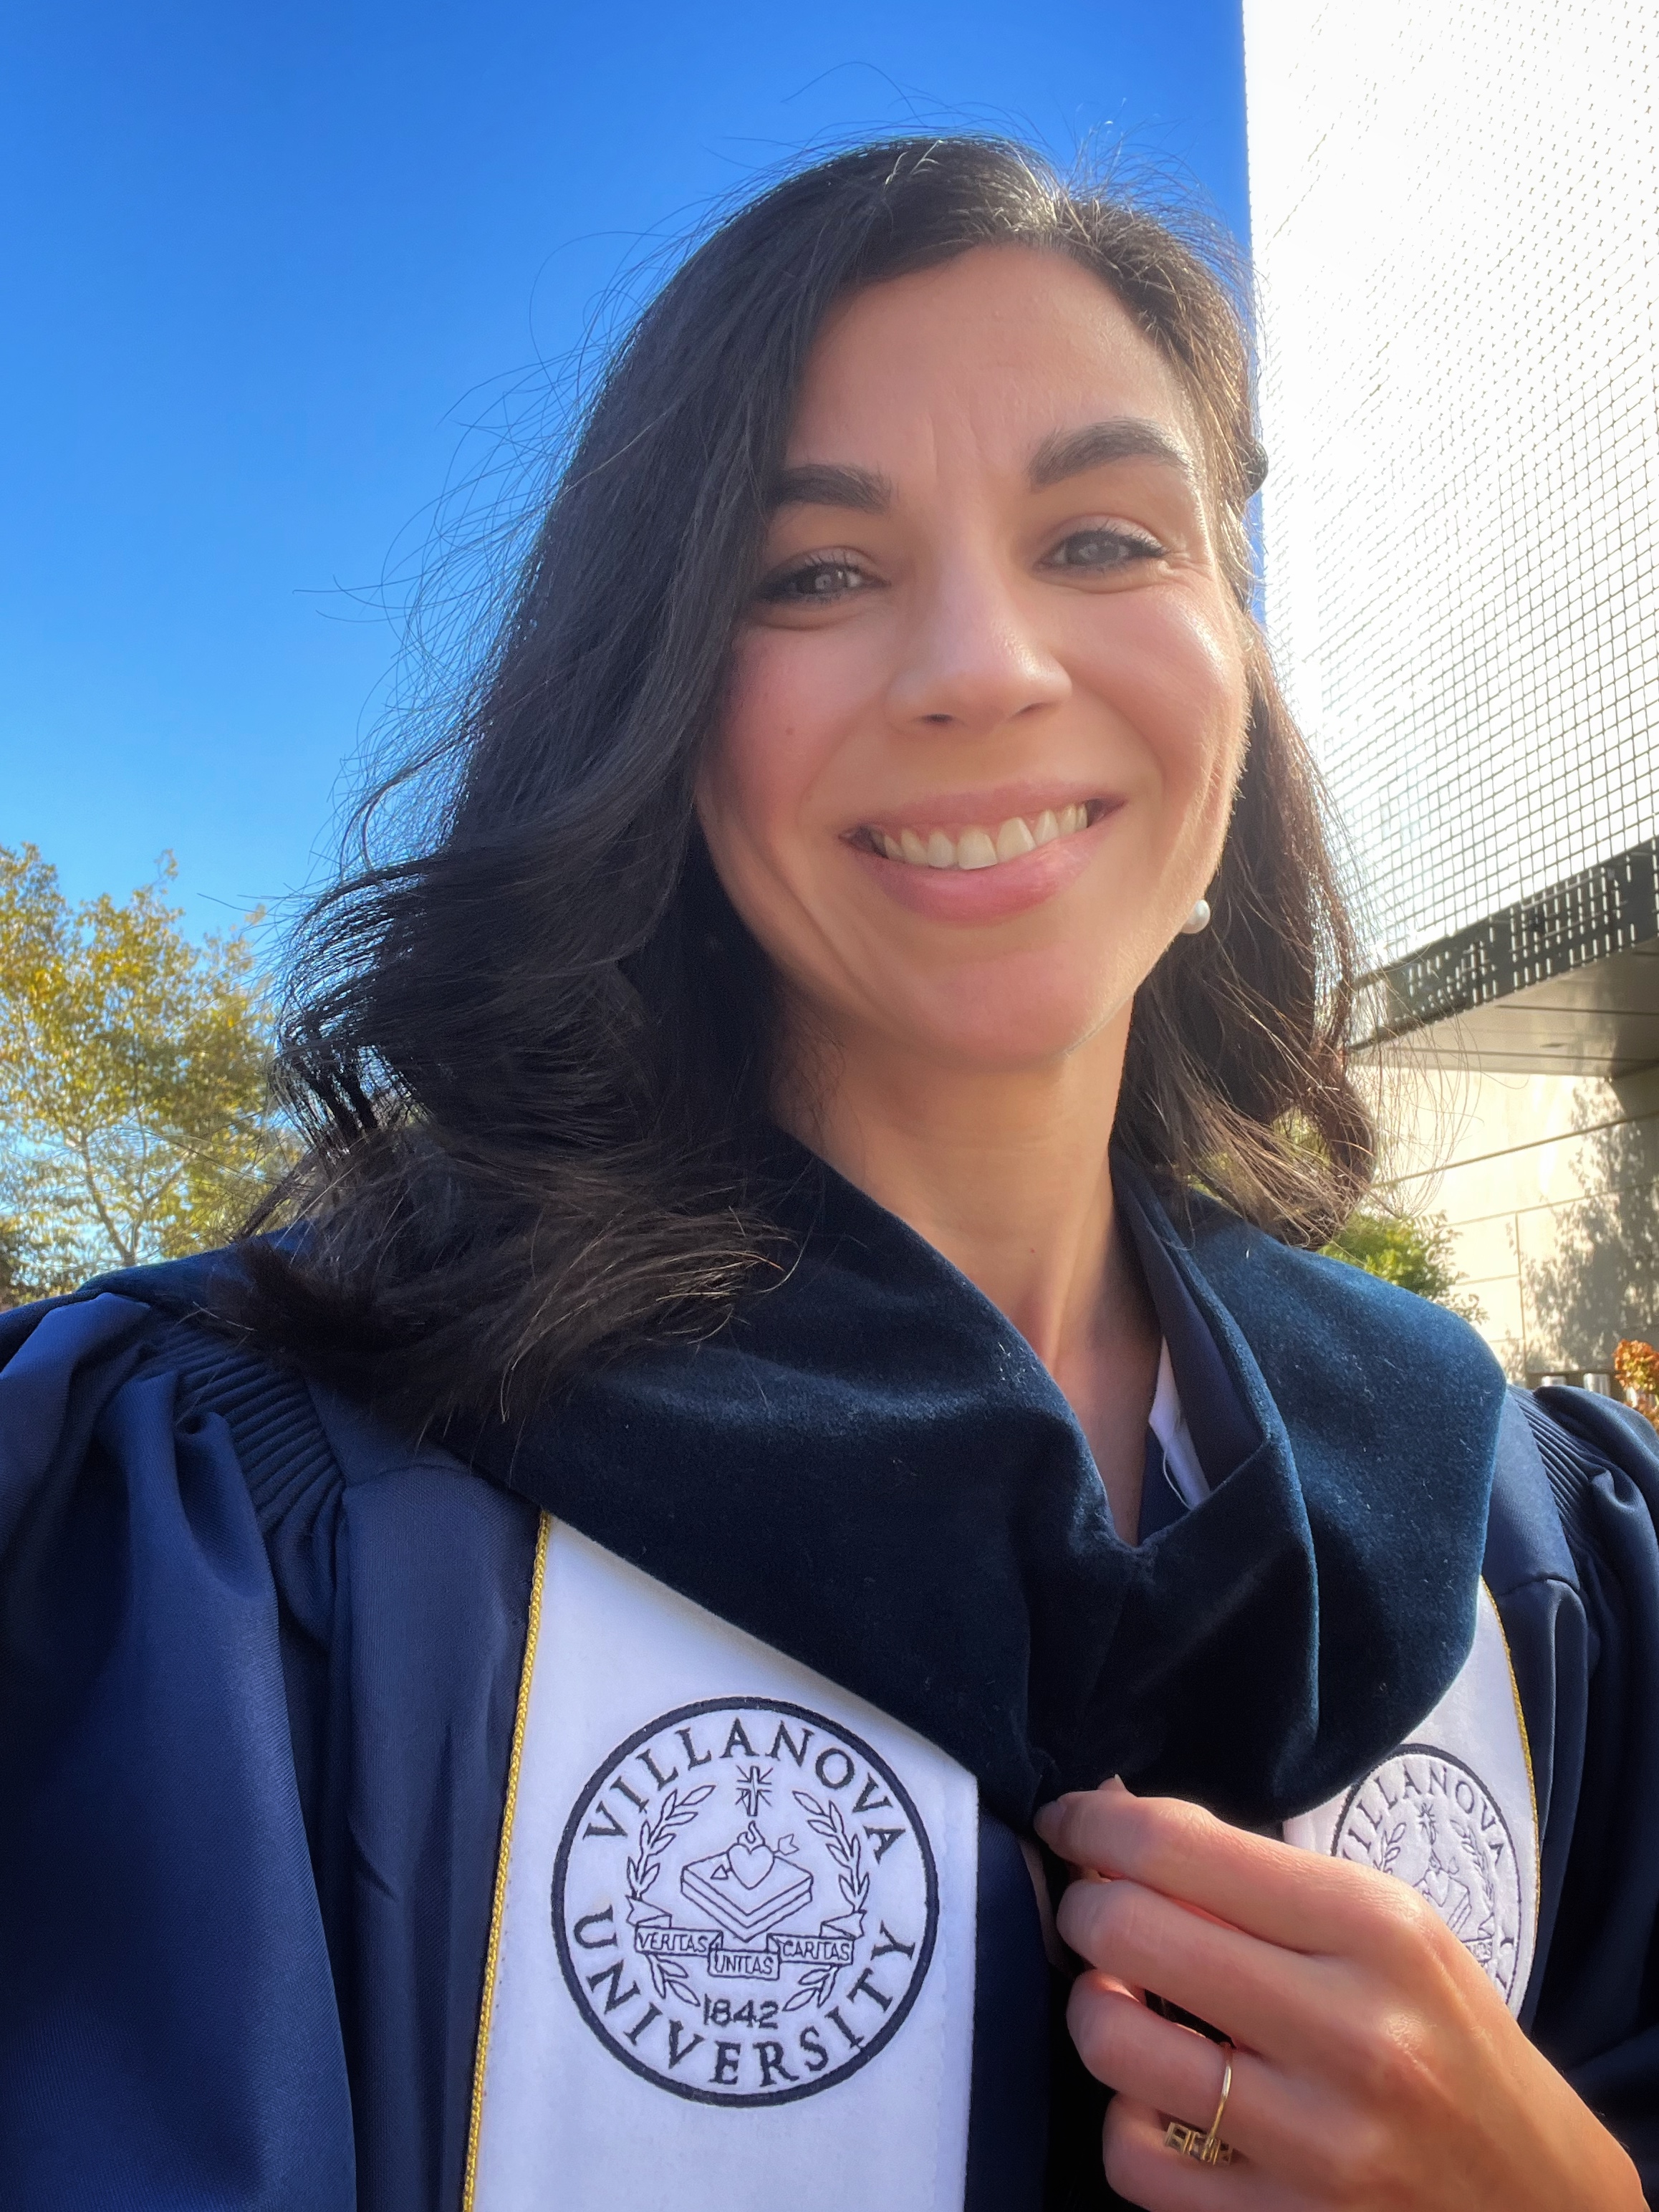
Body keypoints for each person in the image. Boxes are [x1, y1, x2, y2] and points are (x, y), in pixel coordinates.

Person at [1, 138, 1654, 2212]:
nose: (981, 663)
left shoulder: (1524, 1538)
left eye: (1105, 537)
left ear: (1233, 665)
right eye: (814, 573)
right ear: (665, 708)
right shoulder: (254, 1537)